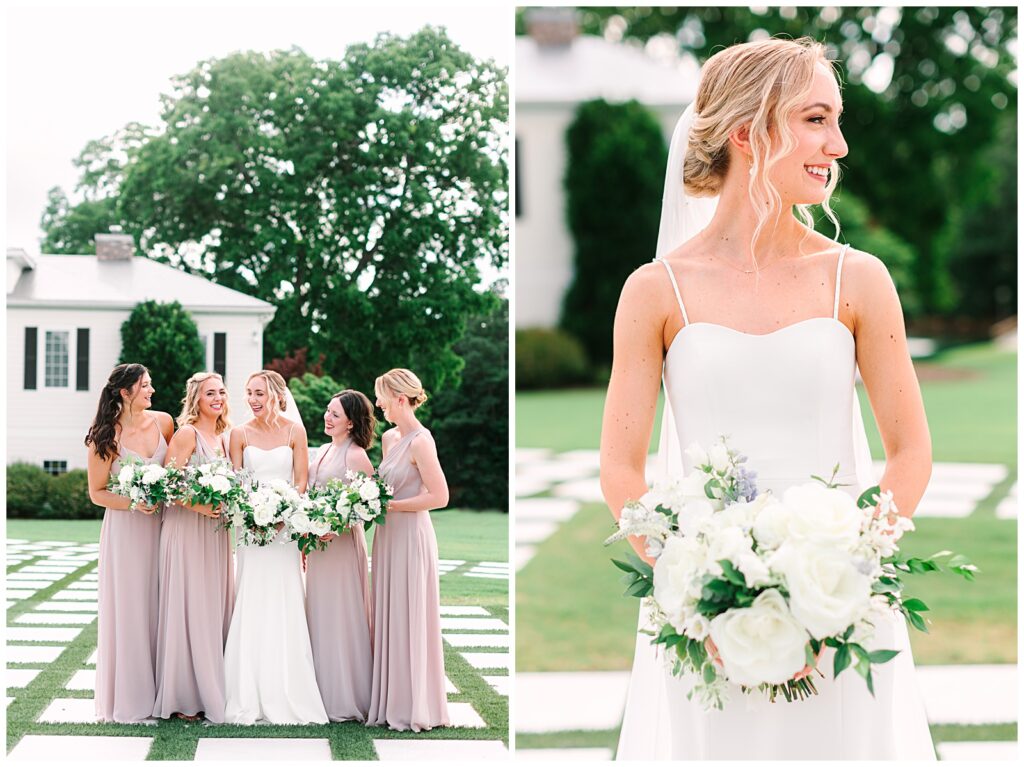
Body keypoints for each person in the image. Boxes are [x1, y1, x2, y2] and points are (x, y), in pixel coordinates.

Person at [600, 37, 935, 760]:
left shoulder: (859, 279)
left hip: (846, 608)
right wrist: (694, 596)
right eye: (817, 119)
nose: (838, 144)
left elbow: (910, 451)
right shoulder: (655, 291)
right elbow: (622, 470)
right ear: (751, 130)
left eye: (836, 120)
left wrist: (848, 578)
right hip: (706, 628)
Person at [222, 370, 327, 724]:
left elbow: (300, 482)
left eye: (259, 394)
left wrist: (284, 514)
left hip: (285, 533)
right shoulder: (238, 434)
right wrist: (252, 515)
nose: (252, 400)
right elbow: (236, 482)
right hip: (251, 534)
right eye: (248, 393)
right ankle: (246, 691)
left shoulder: (295, 431)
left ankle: (289, 690)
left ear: (277, 396)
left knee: (285, 599)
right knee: (251, 597)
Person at [86, 363, 174, 722]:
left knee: (164, 603)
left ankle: (168, 690)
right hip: (126, 532)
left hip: (165, 527)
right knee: (132, 608)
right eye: (145, 386)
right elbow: (96, 493)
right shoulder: (105, 435)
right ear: (125, 392)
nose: (152, 391)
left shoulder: (165, 422)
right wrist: (134, 502)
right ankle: (133, 695)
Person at [367, 368, 451, 731]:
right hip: (387, 538)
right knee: (389, 612)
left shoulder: (421, 440)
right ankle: (391, 699)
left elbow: (439, 496)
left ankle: (416, 703)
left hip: (411, 535)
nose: (378, 405)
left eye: (382, 398)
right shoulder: (388, 439)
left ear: (400, 399)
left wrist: (391, 507)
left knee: (411, 612)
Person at [152, 371, 234, 722]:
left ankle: (211, 686)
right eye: (210, 393)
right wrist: (198, 504)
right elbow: (167, 484)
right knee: (189, 605)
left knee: (211, 606)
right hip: (186, 530)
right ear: (196, 399)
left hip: (214, 533)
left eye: (221, 392)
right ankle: (185, 695)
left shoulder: (223, 438)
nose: (217, 398)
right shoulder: (187, 434)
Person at [305, 389, 376, 722]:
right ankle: (318, 690)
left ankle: (346, 696)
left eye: (334, 414)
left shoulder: (357, 455)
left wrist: (340, 523)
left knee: (342, 615)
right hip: (318, 550)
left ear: (350, 422)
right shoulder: (321, 450)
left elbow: (370, 505)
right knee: (319, 614)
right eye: (327, 411)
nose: (327, 417)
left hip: (343, 547)